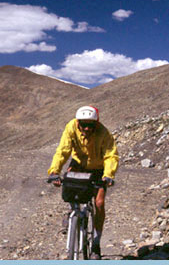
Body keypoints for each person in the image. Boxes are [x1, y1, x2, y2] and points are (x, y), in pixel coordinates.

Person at [47, 105, 119, 260]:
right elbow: (63, 150)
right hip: (79, 163)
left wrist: (108, 175)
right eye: (83, 124)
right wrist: (54, 171)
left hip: (98, 168)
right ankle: (73, 213)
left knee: (99, 203)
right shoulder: (71, 127)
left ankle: (96, 243)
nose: (86, 128)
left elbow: (110, 155)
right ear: (78, 122)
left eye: (90, 125)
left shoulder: (103, 133)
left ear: (96, 123)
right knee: (69, 184)